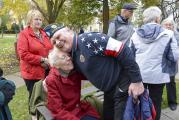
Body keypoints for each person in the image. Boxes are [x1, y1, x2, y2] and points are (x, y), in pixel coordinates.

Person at [44, 23, 144, 120]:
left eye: (58, 37)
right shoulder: (73, 55)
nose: (57, 42)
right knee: (107, 117)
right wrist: (49, 78)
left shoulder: (88, 39)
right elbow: (59, 66)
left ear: (68, 30)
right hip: (109, 91)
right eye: (53, 42)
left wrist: (137, 81)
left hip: (122, 85)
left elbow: (123, 50)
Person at [130, 6, 179, 120]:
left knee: (139, 101)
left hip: (140, 74)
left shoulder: (135, 34)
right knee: (155, 102)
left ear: (145, 19)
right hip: (158, 75)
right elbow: (174, 56)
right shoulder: (169, 34)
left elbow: (130, 57)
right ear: (157, 19)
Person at [46, 47, 100, 120]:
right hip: (68, 116)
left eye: (68, 55)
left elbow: (91, 75)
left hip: (82, 110)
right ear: (56, 65)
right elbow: (57, 110)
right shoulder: (52, 80)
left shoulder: (74, 71)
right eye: (63, 57)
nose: (68, 58)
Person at [17, 9, 53, 103]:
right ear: (30, 20)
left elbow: (49, 48)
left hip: (47, 70)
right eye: (36, 19)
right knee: (35, 98)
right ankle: (34, 116)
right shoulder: (24, 34)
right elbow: (23, 54)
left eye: (40, 19)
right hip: (32, 73)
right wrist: (42, 59)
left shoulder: (43, 33)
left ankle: (45, 115)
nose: (39, 21)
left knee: (46, 95)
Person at [161, 18, 179, 111]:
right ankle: (158, 99)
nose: (168, 26)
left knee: (171, 82)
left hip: (172, 64)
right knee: (159, 83)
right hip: (160, 64)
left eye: (170, 24)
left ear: (173, 26)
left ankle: (172, 102)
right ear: (162, 26)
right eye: (166, 24)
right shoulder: (160, 35)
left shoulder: (177, 35)